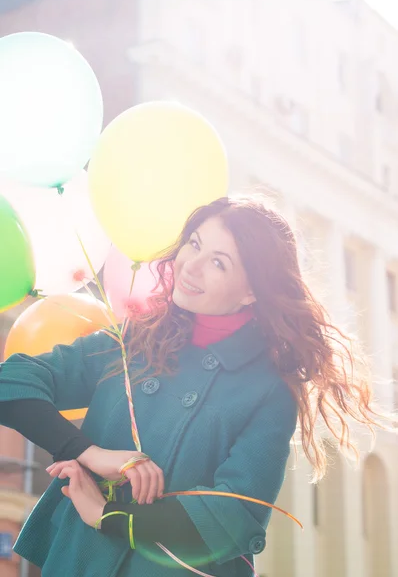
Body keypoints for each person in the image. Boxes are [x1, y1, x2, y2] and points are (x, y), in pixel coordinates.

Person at [0, 195, 391, 577]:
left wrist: (109, 516)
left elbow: (234, 516)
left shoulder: (269, 391)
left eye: (218, 263)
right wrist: (91, 453)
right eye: (195, 244)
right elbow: (10, 381)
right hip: (78, 562)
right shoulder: (133, 341)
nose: (192, 267)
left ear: (252, 291)